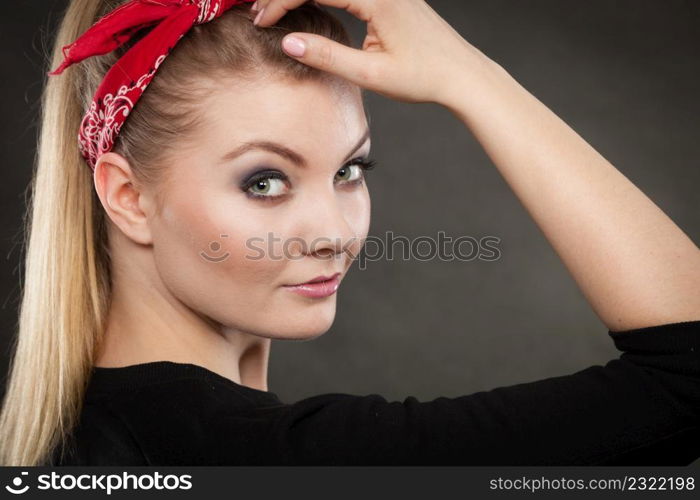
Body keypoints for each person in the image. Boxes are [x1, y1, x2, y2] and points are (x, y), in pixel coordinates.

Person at [0, 0, 698, 466]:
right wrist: (470, 76)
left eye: (350, 169)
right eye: (264, 181)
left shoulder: (87, 436)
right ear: (127, 196)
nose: (335, 232)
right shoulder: (263, 458)